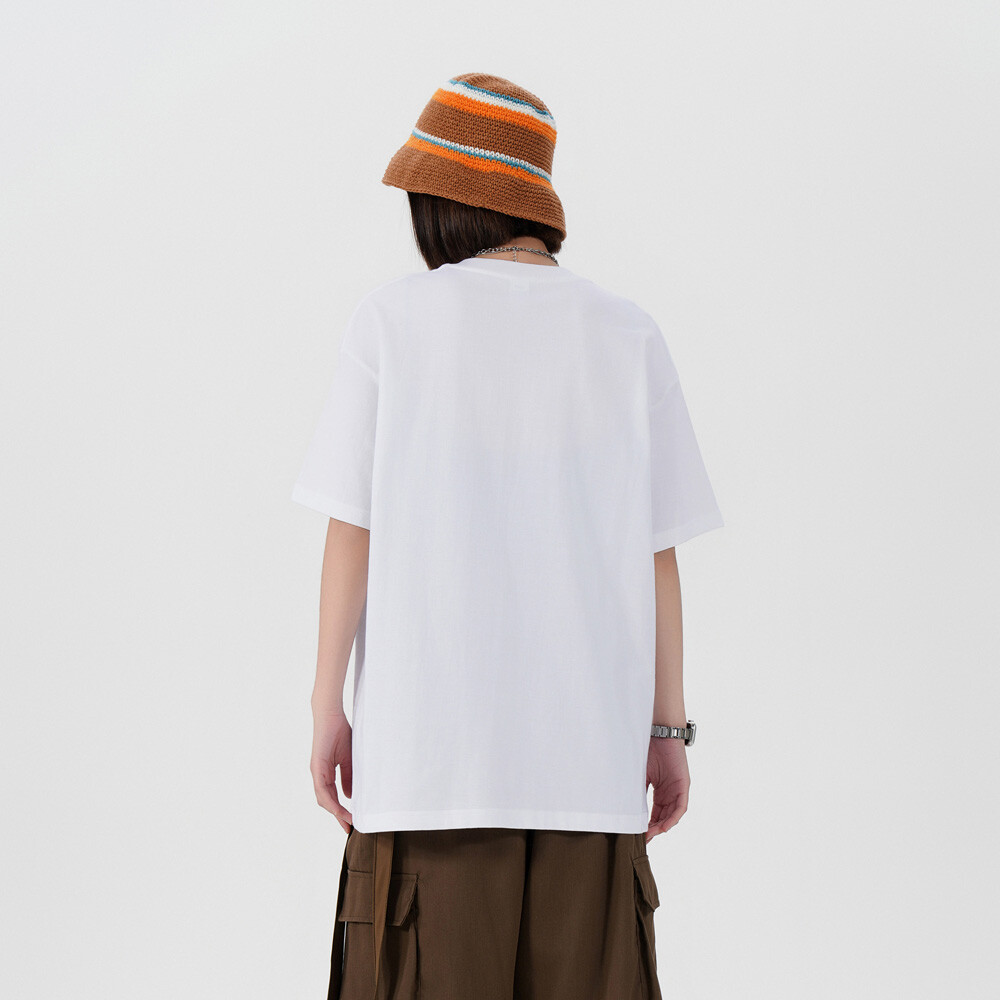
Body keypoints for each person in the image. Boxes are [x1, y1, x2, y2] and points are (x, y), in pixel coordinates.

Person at [291, 72, 724, 1000]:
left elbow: (351, 530)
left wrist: (327, 705)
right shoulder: (627, 334)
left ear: (445, 201)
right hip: (589, 771)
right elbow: (658, 555)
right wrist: (667, 729)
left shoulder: (392, 322)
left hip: (427, 768)